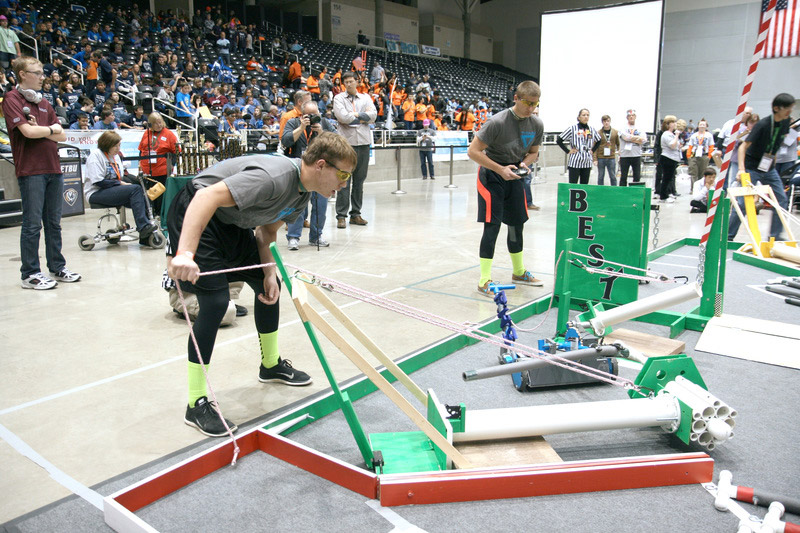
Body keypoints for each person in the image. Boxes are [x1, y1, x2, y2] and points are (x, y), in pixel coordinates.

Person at [166, 131, 356, 437]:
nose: (344, 183)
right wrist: (185, 253)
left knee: (271, 286)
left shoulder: (302, 195)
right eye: (343, 174)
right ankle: (195, 403)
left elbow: (266, 234)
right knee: (215, 302)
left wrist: (268, 273)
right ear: (321, 165)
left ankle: (270, 365)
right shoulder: (275, 177)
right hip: (197, 209)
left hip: (229, 222)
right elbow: (206, 196)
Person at [3, 56, 80, 289]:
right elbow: (27, 132)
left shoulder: (44, 103)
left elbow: (62, 135)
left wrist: (43, 130)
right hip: (31, 170)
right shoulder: (11, 99)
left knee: (54, 223)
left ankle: (57, 266)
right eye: (36, 73)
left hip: (53, 168)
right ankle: (30, 273)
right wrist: (48, 129)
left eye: (41, 73)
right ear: (22, 74)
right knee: (32, 224)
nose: (41, 77)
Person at [467, 80, 544, 296]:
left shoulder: (536, 124)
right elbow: (473, 152)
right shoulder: (497, 122)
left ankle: (519, 272)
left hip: (514, 176)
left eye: (535, 104)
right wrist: (500, 170)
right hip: (491, 176)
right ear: (516, 99)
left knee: (516, 225)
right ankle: (484, 280)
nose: (531, 108)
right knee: (492, 227)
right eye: (527, 103)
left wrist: (523, 165)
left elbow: (533, 153)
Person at [727, 93, 794, 241]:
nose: (790, 111)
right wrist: (741, 169)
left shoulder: (785, 123)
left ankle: (775, 236)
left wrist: (773, 166)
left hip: (769, 169)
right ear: (776, 108)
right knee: (743, 203)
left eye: (791, 108)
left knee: (781, 200)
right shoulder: (762, 125)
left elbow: (775, 145)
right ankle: (729, 236)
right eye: (787, 108)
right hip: (751, 167)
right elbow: (742, 147)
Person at [84, 131, 158, 242]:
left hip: (111, 190)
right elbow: (98, 182)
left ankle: (146, 237)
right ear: (106, 144)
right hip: (96, 192)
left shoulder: (115, 157)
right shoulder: (96, 156)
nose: (118, 149)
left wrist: (121, 183)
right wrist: (119, 183)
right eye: (116, 146)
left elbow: (119, 177)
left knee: (143, 196)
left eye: (119, 145)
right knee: (135, 189)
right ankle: (143, 227)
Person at [282, 100, 337, 249]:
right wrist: (301, 128)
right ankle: (293, 237)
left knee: (321, 205)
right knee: (298, 205)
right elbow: (285, 141)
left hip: (321, 172)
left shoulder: (324, 123)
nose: (312, 118)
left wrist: (321, 133)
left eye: (315, 114)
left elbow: (337, 142)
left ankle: (316, 236)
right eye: (309, 115)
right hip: (300, 170)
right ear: (302, 114)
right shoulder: (293, 123)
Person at [333, 71, 377, 228]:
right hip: (346, 145)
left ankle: (356, 214)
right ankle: (341, 216)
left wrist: (356, 114)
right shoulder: (338, 98)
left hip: (363, 143)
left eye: (351, 81)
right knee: (344, 179)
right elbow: (342, 117)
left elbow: (374, 116)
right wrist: (362, 117)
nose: (349, 84)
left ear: (357, 82)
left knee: (359, 181)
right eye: (346, 82)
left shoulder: (365, 98)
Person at [137, 112, 178, 216]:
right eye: (156, 123)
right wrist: (140, 164)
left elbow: (176, 151)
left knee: (160, 195)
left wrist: (173, 164)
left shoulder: (168, 134)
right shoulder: (146, 134)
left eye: (160, 122)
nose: (159, 125)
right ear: (150, 124)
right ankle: (150, 214)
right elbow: (141, 149)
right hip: (147, 170)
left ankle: (161, 214)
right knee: (149, 194)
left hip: (162, 170)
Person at [558, 109, 601, 184]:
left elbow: (599, 140)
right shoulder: (572, 128)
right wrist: (568, 151)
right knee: (573, 184)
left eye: (587, 115)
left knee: (584, 185)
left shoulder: (591, 129)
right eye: (583, 115)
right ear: (579, 117)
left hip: (587, 161)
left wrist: (593, 150)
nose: (586, 117)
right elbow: (559, 140)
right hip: (575, 161)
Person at [618, 109, 647, 187]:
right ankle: (622, 193)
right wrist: (637, 138)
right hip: (625, 156)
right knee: (623, 177)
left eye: (633, 115)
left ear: (635, 117)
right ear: (627, 117)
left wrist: (632, 138)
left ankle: (635, 194)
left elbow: (644, 139)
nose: (631, 117)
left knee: (637, 176)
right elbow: (625, 137)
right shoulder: (623, 127)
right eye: (629, 116)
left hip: (636, 155)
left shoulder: (640, 128)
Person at [658, 116, 681, 204]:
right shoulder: (666, 134)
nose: (675, 124)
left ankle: (667, 193)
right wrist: (677, 136)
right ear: (668, 124)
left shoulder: (671, 134)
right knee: (666, 178)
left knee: (670, 177)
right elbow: (672, 145)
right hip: (668, 158)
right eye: (673, 122)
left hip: (673, 158)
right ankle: (663, 196)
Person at [594, 115, 619, 186]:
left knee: (613, 176)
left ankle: (614, 190)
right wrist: (595, 159)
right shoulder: (598, 133)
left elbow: (618, 144)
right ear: (602, 122)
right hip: (601, 157)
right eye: (604, 121)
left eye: (608, 121)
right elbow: (595, 147)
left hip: (611, 158)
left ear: (610, 121)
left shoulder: (615, 132)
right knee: (600, 176)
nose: (606, 123)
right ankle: (600, 191)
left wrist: (620, 152)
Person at [687, 120, 714, 185]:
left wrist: (709, 156)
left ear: (706, 126)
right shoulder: (694, 135)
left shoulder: (709, 135)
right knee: (693, 172)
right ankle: (693, 188)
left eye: (703, 125)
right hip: (694, 155)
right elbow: (690, 146)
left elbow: (711, 146)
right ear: (698, 126)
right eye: (700, 124)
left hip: (704, 155)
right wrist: (688, 156)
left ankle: (701, 187)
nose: (702, 126)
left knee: (702, 173)